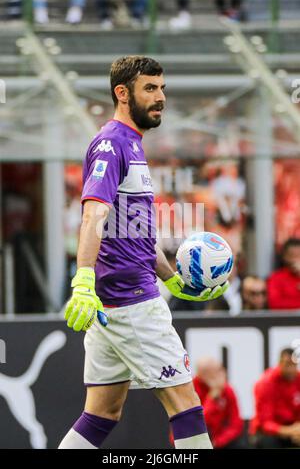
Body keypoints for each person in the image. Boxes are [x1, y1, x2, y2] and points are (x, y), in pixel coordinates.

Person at [58, 56, 228, 450]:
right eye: (150, 89)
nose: (161, 97)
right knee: (187, 407)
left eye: (162, 88)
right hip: (131, 302)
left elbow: (134, 231)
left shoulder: (131, 143)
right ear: (122, 93)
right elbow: (93, 216)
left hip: (114, 304)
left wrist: (171, 277)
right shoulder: (111, 144)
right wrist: (82, 279)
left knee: (101, 414)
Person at [249, 348, 300, 448]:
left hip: (292, 429)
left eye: (294, 365)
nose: (291, 369)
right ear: (280, 363)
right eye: (287, 365)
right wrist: (290, 431)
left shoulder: (298, 379)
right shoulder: (265, 383)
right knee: (269, 442)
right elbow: (265, 424)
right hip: (266, 433)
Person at [193, 357, 245, 449]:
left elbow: (236, 424)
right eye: (215, 372)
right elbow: (198, 422)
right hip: (194, 437)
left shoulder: (227, 390)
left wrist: (218, 442)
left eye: (220, 370)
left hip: (218, 439)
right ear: (201, 375)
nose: (221, 375)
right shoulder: (191, 389)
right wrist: (212, 398)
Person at [267, 238, 300, 310]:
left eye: (299, 255)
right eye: (292, 255)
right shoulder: (276, 278)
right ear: (284, 257)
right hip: (286, 320)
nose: (296, 259)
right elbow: (274, 303)